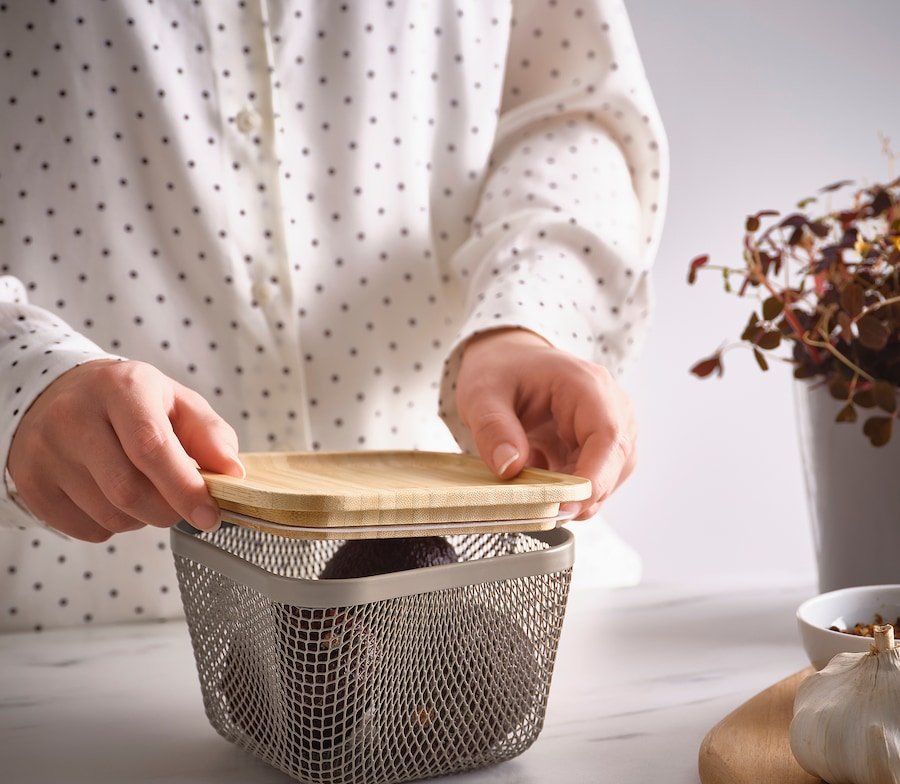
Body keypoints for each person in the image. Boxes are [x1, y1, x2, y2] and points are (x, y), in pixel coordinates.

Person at [0, 0, 667, 630]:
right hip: (77, 628)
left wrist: (527, 316)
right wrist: (21, 380)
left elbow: (571, 110)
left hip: (510, 610)